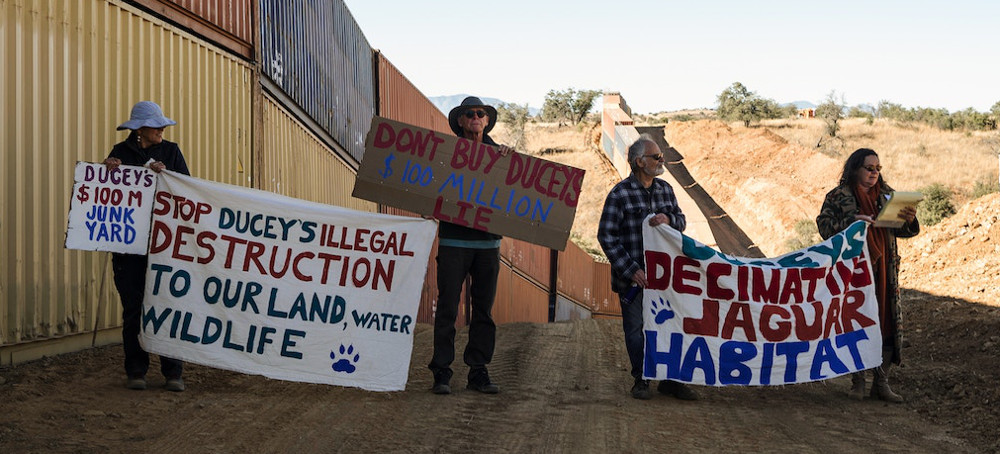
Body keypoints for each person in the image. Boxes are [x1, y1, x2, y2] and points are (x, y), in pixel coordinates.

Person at [597, 135, 698, 401]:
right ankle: (641, 378)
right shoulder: (619, 194)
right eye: (656, 157)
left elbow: (682, 221)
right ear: (640, 162)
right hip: (633, 280)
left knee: (672, 327)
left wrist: (669, 219)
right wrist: (631, 270)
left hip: (666, 280)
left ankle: (670, 380)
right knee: (636, 330)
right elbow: (606, 236)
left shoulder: (666, 190)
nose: (661, 160)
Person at [816, 148, 919, 403]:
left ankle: (881, 383)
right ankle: (858, 380)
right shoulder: (838, 196)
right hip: (854, 272)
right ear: (855, 169)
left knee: (886, 322)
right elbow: (824, 228)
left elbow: (904, 232)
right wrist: (851, 225)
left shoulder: (888, 196)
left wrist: (909, 219)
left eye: (878, 168)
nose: (874, 173)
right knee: (856, 321)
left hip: (885, 270)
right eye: (869, 168)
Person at [103, 101, 190, 392]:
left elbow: (186, 191)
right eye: (156, 125)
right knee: (134, 309)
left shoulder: (171, 152)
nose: (162, 129)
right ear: (141, 129)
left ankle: (173, 372)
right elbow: (105, 194)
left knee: (168, 306)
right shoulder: (119, 153)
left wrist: (167, 176)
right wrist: (109, 171)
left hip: (163, 246)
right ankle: (136, 370)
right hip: (129, 249)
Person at [428, 96, 513, 395]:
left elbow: (516, 194)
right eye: (470, 114)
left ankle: (478, 371)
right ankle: (442, 372)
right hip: (453, 242)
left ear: (486, 121)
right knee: (448, 308)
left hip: (488, 245)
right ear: (461, 122)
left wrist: (509, 161)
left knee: (483, 311)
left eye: (480, 114)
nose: (476, 117)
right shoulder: (445, 154)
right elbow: (428, 187)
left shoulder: (502, 158)